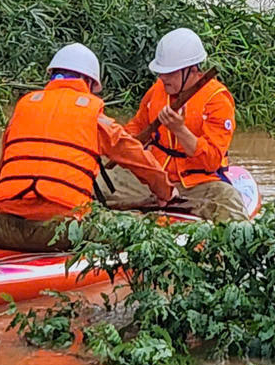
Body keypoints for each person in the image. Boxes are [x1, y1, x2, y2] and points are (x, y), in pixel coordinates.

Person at [0, 42, 174, 251]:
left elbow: (6, 165)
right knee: (137, 230)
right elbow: (136, 156)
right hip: (61, 230)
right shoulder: (94, 117)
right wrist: (165, 191)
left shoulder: (23, 109)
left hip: (3, 225)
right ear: (89, 83)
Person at [101, 26, 247, 223]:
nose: (163, 78)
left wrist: (180, 130)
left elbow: (212, 161)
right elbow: (135, 128)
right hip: (155, 180)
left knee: (228, 201)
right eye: (161, 73)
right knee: (98, 183)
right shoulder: (156, 92)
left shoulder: (217, 100)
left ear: (192, 70)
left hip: (196, 184)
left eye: (170, 73)